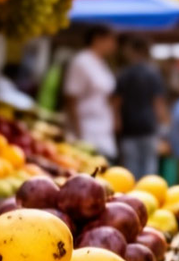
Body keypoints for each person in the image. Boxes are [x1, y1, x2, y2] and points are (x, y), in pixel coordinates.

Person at [114, 36, 167, 178]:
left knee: (131, 167)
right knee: (149, 166)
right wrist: (162, 124)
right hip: (148, 126)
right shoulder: (153, 74)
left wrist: (117, 122)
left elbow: (117, 102)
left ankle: (131, 197)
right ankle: (148, 195)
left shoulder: (124, 73)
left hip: (129, 127)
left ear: (133, 51)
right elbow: (158, 102)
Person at [64, 26, 118, 159]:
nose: (113, 45)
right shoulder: (82, 61)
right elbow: (71, 98)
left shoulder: (101, 63)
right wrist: (78, 134)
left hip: (103, 129)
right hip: (86, 130)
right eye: (111, 40)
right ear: (97, 39)